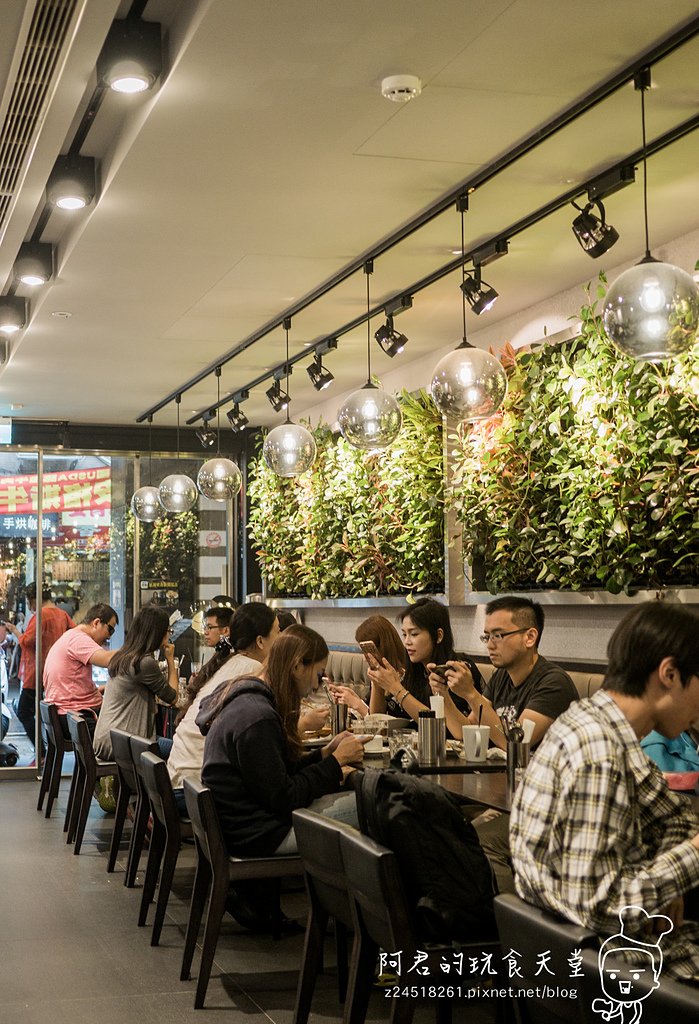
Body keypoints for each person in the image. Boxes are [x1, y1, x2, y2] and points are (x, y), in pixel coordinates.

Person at [510, 601, 699, 982]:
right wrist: (691, 858)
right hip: (615, 971)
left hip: (579, 952)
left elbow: (676, 816)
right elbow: (600, 907)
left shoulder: (592, 723)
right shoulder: (600, 753)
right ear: (669, 673)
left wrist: (668, 883)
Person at [198, 624, 367, 931]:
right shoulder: (258, 716)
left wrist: (324, 755)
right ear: (297, 665)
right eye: (318, 674)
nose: (316, 684)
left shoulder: (246, 697)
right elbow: (284, 797)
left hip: (242, 825)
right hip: (259, 834)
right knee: (371, 805)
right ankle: (374, 923)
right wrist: (335, 765)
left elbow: (273, 774)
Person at [168, 603, 281, 815]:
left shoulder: (232, 663)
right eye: (278, 631)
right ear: (260, 641)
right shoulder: (254, 672)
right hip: (195, 792)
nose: (281, 638)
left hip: (178, 783)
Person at [431, 596, 577, 749]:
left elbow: (516, 746)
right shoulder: (502, 676)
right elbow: (466, 732)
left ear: (530, 637)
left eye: (497, 636)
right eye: (487, 637)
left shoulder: (554, 683)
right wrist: (442, 693)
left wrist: (470, 693)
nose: (489, 645)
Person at [366, 600, 480, 728]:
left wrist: (395, 688)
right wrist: (377, 682)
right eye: (404, 634)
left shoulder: (458, 670)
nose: (407, 641)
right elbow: (380, 719)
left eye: (414, 634)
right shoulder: (416, 670)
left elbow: (446, 727)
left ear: (438, 636)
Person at [92, 605, 178, 761]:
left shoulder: (124, 656)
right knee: (182, 751)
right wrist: (170, 660)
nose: (168, 635)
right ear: (158, 633)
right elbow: (172, 697)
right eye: (168, 631)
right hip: (121, 744)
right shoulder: (143, 662)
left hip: (108, 737)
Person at [6, 583, 75, 758]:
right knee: (48, 714)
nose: (29, 605)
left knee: (24, 711)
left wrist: (15, 630)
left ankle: (42, 754)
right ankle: (48, 753)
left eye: (29, 601)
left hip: (37, 671)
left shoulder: (40, 616)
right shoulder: (62, 614)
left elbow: (27, 641)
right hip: (54, 671)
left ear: (34, 599)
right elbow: (74, 633)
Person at [43, 603, 119, 739]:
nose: (109, 637)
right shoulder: (79, 639)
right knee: (127, 733)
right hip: (78, 717)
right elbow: (108, 660)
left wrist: (101, 690)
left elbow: (71, 686)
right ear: (96, 623)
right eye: (110, 630)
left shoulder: (70, 636)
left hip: (68, 715)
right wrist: (136, 647)